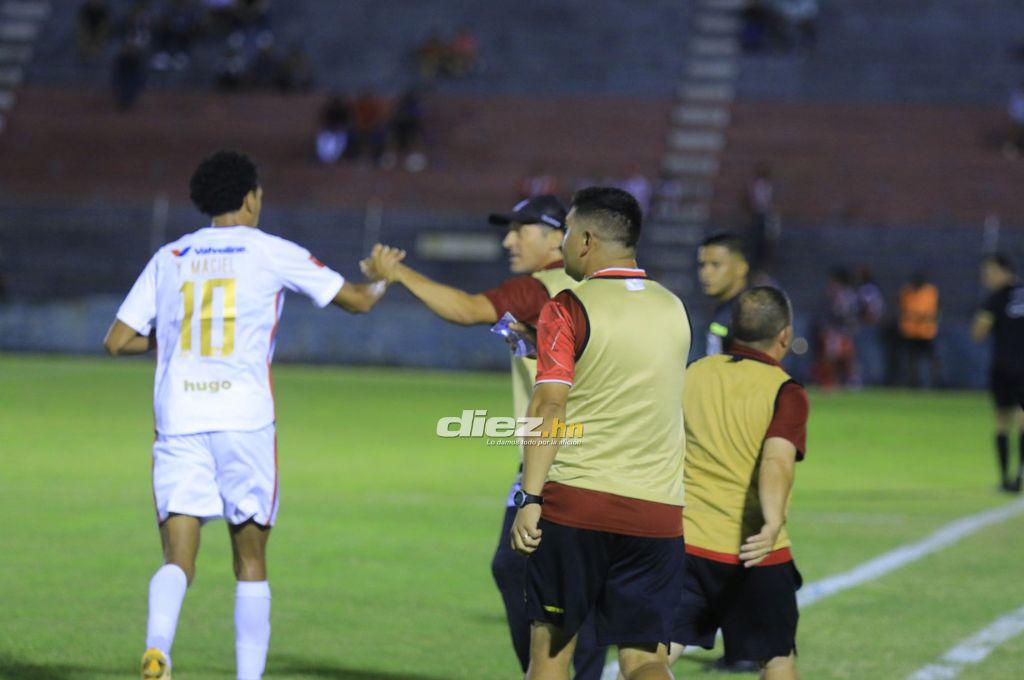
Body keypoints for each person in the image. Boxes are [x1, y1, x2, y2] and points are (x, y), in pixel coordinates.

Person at [103, 150, 398, 680]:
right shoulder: (271, 251)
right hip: (244, 420)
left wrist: (170, 341)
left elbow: (118, 340)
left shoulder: (170, 256)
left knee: (177, 559)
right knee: (251, 562)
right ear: (249, 197)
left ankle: (158, 648)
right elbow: (357, 301)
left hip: (180, 418)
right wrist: (382, 278)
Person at [362, 196, 608, 680]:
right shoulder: (596, 290)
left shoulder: (541, 288)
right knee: (562, 575)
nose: (508, 239)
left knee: (520, 567)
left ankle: (553, 671)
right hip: (606, 454)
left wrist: (399, 275)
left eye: (521, 230)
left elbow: (470, 308)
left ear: (556, 234)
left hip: (558, 457)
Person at [510, 187, 691, 680]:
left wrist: (530, 496)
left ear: (586, 239)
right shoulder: (674, 307)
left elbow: (549, 404)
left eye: (567, 232)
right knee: (646, 660)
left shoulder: (568, 306)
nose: (563, 242)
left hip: (578, 504)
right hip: (658, 510)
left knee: (551, 657)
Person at [671, 287, 808, 680]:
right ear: (784, 335)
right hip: (754, 551)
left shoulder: (693, 372)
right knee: (777, 660)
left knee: (652, 656)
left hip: (685, 543)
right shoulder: (785, 391)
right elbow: (777, 459)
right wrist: (772, 520)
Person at [972, 254, 1024, 493]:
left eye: (990, 273)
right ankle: (1017, 477)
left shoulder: (994, 299)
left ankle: (1005, 479)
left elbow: (979, 333)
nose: (987, 278)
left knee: (1002, 421)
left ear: (1004, 271)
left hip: (1003, 367)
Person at [698, 232, 750, 356]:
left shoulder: (749, 317)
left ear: (741, 268)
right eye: (702, 265)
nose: (706, 273)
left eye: (715, 265)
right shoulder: (724, 310)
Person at [897, 272, 941, 388]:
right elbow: (902, 308)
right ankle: (913, 383)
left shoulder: (931, 292)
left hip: (927, 332)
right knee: (911, 359)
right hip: (910, 332)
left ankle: (935, 383)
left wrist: (928, 318)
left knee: (932, 359)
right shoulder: (906, 291)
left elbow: (937, 310)